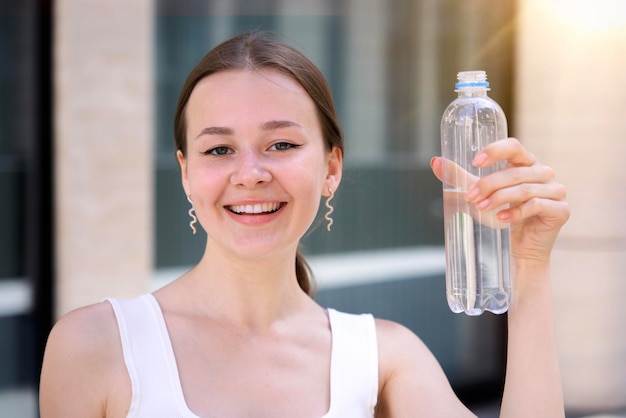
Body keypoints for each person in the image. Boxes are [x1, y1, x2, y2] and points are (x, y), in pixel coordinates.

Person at [40, 31, 570, 417]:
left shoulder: (382, 356)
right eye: (219, 148)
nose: (250, 174)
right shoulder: (95, 345)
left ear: (331, 168)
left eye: (282, 145)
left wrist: (529, 266)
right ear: (186, 172)